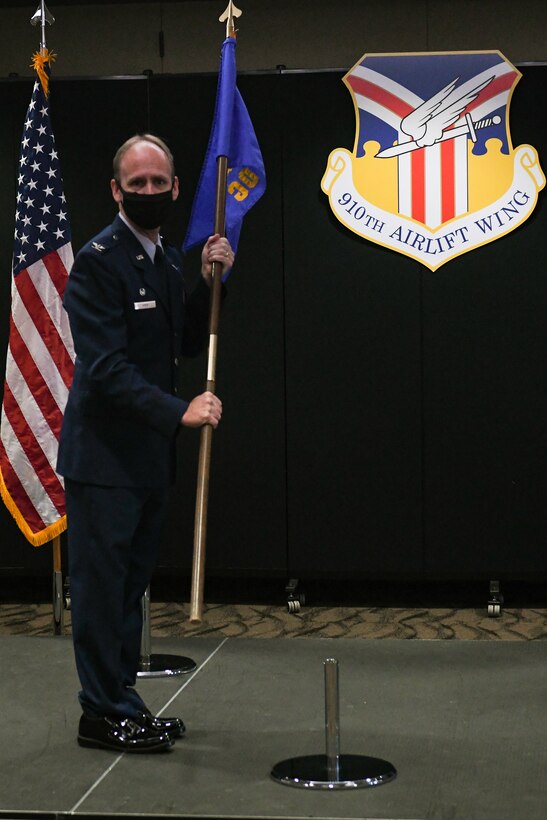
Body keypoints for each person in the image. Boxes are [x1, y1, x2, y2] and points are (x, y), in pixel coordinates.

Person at [57, 134, 234, 753]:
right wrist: (177, 411)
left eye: (161, 182)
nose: (151, 192)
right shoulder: (99, 262)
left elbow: (181, 342)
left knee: (129, 592)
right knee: (103, 594)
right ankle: (100, 713)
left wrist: (212, 281)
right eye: (139, 184)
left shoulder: (165, 258)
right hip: (104, 461)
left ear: (177, 187)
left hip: (146, 461)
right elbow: (103, 371)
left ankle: (121, 702)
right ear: (117, 190)